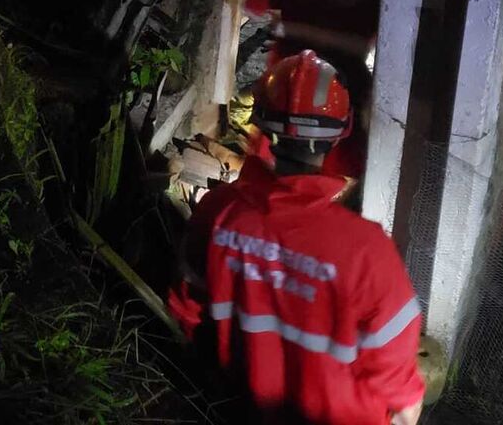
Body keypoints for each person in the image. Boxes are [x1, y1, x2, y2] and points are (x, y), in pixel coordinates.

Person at [168, 51, 425, 425]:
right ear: (342, 133)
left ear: (262, 129)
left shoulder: (219, 214)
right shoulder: (369, 253)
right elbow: (402, 397)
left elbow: (187, 313)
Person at [245, 0, 382, 176]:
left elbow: (252, 5)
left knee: (267, 153)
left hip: (286, 79)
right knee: (342, 163)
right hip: (345, 88)